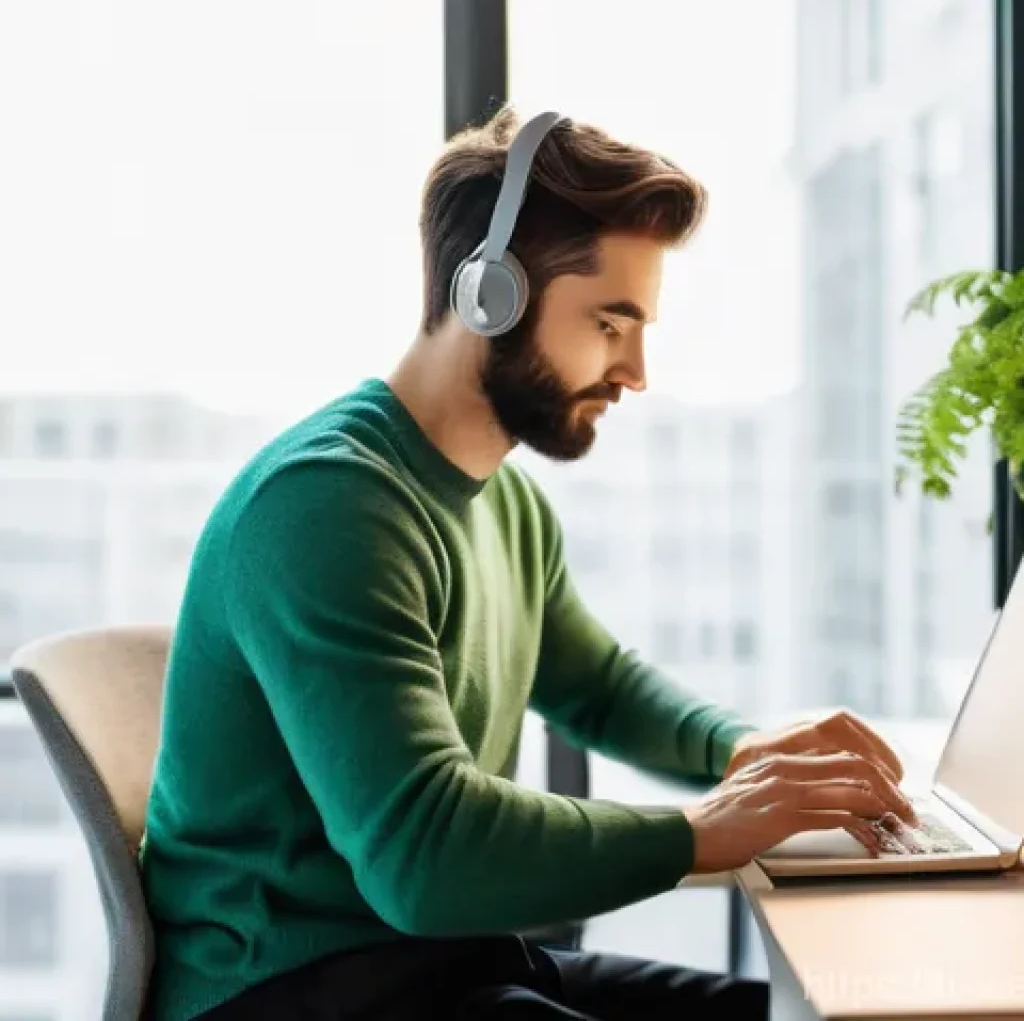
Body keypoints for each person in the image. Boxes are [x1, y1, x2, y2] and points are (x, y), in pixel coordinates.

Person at [139, 106, 916, 1021]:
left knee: (814, 1011)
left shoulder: (503, 502)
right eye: (610, 323)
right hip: (294, 992)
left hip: (441, 965)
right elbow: (425, 858)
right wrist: (703, 832)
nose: (635, 371)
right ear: (490, 296)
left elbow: (599, 689)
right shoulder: (326, 508)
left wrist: (742, 752)